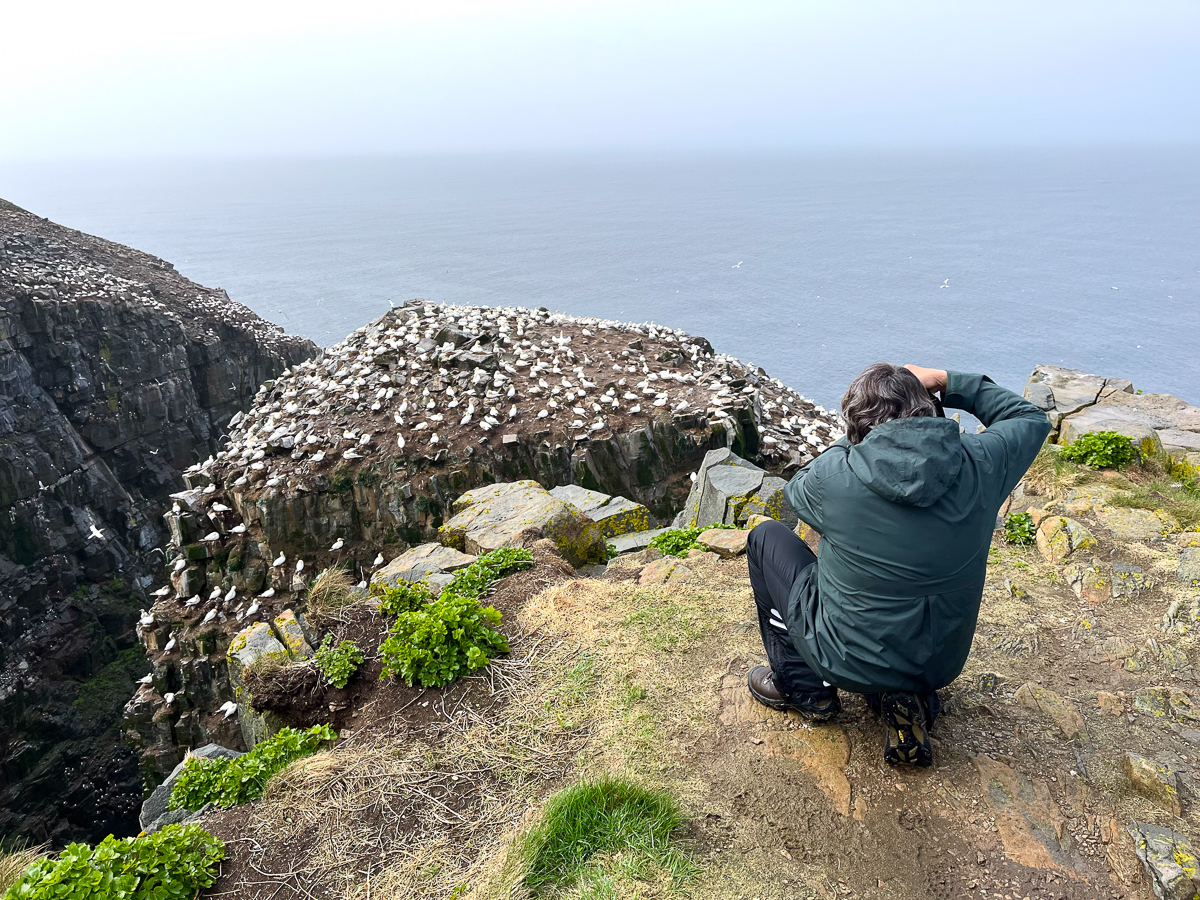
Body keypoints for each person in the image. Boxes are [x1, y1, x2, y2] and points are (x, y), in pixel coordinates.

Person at [745, 363, 1051, 766]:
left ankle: (806, 689)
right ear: (930, 410)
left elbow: (796, 491)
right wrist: (948, 380)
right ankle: (906, 694)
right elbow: (1030, 418)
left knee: (765, 538)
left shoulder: (835, 476)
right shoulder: (983, 462)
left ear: (858, 428)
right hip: (939, 662)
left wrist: (857, 434)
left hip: (845, 660)